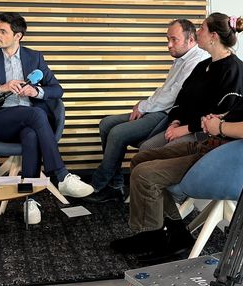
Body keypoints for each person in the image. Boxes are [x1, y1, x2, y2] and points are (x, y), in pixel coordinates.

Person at [111, 1, 243, 264]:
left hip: (227, 154)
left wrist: (219, 126)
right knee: (142, 159)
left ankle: (160, 236)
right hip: (218, 144)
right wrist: (221, 119)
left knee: (146, 173)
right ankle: (166, 233)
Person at [0, 13, 93, 222]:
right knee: (36, 114)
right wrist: (2, 88)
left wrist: (36, 92)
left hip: (31, 121)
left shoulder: (35, 57)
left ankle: (29, 199)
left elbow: (57, 89)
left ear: (18, 36)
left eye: (2, 31)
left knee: (31, 134)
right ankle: (61, 175)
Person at [85, 19, 207, 203]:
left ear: (190, 40)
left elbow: (172, 96)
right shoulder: (180, 60)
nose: (169, 45)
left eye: (174, 39)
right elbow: (164, 90)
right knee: (106, 124)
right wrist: (144, 104)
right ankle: (115, 185)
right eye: (167, 39)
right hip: (157, 108)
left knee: (117, 133)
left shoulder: (196, 61)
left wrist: (144, 107)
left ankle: (99, 185)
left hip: (166, 114)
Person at [137, 12, 243, 152]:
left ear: (213, 36)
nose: (197, 32)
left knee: (154, 155)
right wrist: (175, 122)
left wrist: (186, 129)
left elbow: (222, 115)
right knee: (145, 148)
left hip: (207, 135)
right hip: (182, 127)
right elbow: (182, 97)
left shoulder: (234, 71)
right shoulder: (202, 66)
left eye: (202, 28)